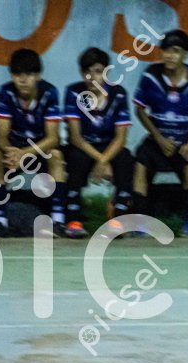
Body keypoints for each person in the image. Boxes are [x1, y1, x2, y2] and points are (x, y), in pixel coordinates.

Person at [132, 29, 188, 237]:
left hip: (185, 140)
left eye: (175, 51)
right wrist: (158, 138)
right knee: (141, 164)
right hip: (156, 140)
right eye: (166, 51)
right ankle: (140, 222)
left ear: (185, 54)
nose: (169, 56)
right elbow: (139, 110)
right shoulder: (151, 75)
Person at [0, 48, 66, 235]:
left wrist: (24, 154)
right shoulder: (5, 92)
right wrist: (12, 153)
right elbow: (1, 136)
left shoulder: (49, 93)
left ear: (38, 76)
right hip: (14, 151)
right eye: (18, 74)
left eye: (29, 74)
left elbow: (53, 138)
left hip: (39, 151)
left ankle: (58, 220)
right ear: (12, 76)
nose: (23, 80)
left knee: (56, 155)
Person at [62, 47, 134, 238]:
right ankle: (74, 220)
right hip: (83, 147)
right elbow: (75, 137)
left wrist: (104, 159)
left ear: (106, 72)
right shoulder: (73, 92)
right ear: (81, 73)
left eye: (98, 71)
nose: (92, 77)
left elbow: (121, 138)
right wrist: (101, 161)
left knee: (125, 159)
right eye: (87, 72)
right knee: (74, 158)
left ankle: (117, 218)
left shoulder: (119, 94)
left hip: (109, 147)